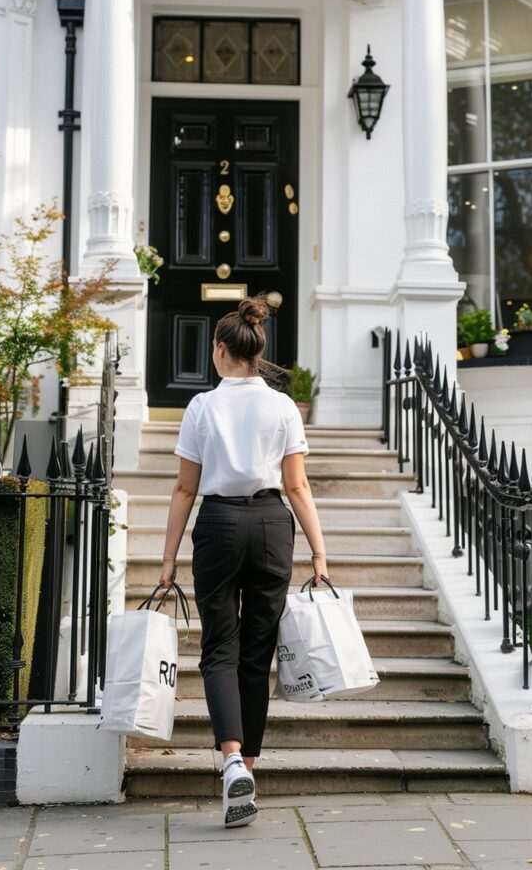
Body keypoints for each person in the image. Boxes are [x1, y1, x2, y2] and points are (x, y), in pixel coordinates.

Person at [158, 294, 329, 828]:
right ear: (256, 351)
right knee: (257, 651)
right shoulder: (282, 405)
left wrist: (167, 563)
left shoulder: (202, 407)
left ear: (219, 351)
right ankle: (247, 768)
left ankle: (232, 759)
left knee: (219, 648)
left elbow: (185, 490)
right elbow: (297, 485)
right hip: (274, 525)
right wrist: (320, 554)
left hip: (219, 525)